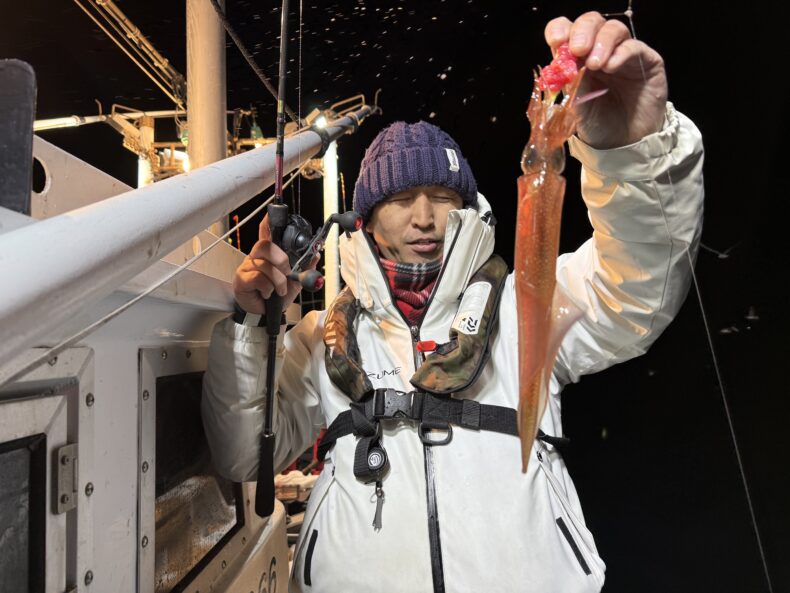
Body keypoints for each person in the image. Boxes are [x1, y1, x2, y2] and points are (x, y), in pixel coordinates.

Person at [202, 12, 704, 593]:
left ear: (465, 209)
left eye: (441, 196)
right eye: (401, 199)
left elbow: (634, 286)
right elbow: (243, 456)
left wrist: (633, 153)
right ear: (367, 219)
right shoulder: (322, 336)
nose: (423, 217)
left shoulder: (526, 306)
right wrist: (250, 322)